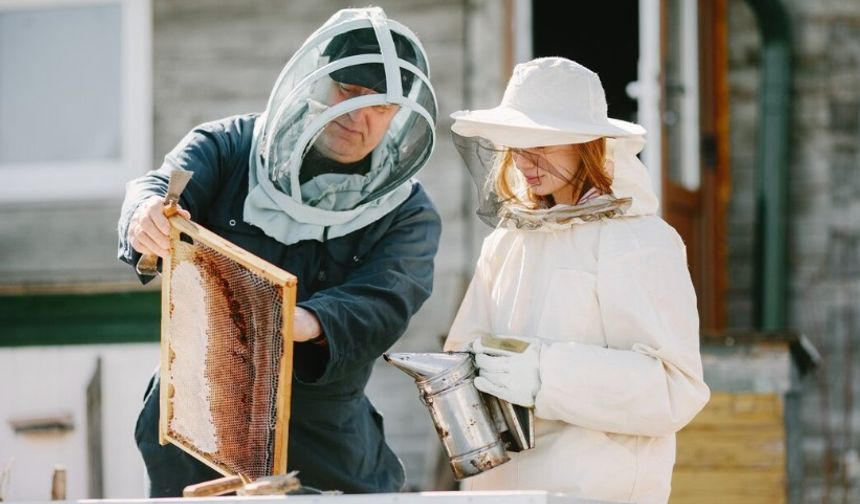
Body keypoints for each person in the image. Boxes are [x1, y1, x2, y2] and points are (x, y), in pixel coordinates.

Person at [117, 7, 440, 496]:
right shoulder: (225, 147)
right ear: (314, 80)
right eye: (347, 92)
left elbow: (386, 301)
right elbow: (158, 187)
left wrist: (293, 321)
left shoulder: (408, 211)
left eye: (381, 107)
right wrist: (144, 215)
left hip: (327, 441)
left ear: (400, 115)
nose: (358, 117)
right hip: (199, 420)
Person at [443, 57, 710, 503]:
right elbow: (465, 356)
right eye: (515, 144)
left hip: (598, 493)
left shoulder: (639, 241)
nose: (522, 161)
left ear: (586, 145)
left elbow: (674, 387)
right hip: (501, 492)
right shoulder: (505, 243)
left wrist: (545, 374)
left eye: (540, 145)